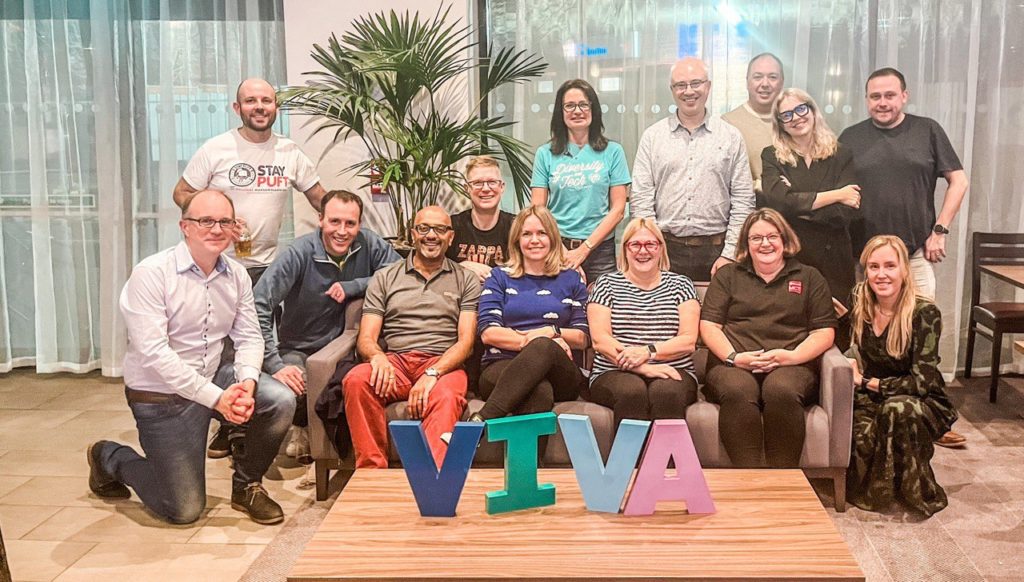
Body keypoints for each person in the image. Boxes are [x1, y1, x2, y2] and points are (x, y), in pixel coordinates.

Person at [87, 190, 294, 525]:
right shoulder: (152, 273)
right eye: (205, 221)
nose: (216, 229)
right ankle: (109, 457)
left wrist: (247, 383)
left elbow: (249, 336)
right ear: (185, 226)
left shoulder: (237, 275)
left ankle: (247, 487)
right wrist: (219, 399)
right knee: (182, 510)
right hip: (160, 396)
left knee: (280, 399)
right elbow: (154, 353)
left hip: (212, 378)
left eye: (224, 221)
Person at [839, 67, 968, 448]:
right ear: (867, 99)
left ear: (904, 96)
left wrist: (940, 230)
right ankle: (882, 407)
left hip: (912, 257)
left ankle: (933, 419)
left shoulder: (927, 130)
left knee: (921, 344)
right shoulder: (851, 138)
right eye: (875, 96)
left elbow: (959, 180)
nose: (882, 102)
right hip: (866, 263)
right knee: (870, 342)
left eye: (889, 95)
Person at [253, 190, 399, 464]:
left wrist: (354, 286)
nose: (342, 231)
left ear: (359, 224)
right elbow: (258, 304)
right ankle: (302, 427)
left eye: (350, 223)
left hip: (351, 349)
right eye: (334, 222)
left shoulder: (369, 244)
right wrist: (273, 363)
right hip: (301, 349)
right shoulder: (298, 253)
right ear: (320, 220)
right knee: (288, 390)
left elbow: (398, 272)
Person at [343, 206, 480, 469]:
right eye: (424, 228)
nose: (432, 235)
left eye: (440, 229)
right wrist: (377, 357)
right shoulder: (385, 278)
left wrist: (433, 373)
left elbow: (466, 342)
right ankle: (372, 473)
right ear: (413, 234)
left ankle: (430, 480)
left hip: (443, 363)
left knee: (447, 396)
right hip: (397, 363)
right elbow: (366, 336)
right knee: (356, 380)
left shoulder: (466, 280)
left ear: (450, 237)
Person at [699, 209, 836, 467]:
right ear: (745, 244)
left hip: (792, 364)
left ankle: (782, 481)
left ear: (785, 240)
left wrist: (792, 357)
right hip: (733, 363)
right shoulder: (727, 276)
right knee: (738, 389)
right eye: (756, 238)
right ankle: (749, 481)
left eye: (772, 236)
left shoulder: (809, 277)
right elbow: (709, 326)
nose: (765, 243)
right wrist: (734, 357)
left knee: (780, 390)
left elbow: (824, 332)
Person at [845, 235, 957, 516]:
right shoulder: (860, 301)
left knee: (898, 409)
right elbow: (836, 338)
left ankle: (915, 492)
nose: (881, 274)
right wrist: (846, 363)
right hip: (871, 395)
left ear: (904, 270)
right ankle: (881, 490)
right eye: (873, 266)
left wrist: (870, 382)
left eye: (890, 266)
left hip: (921, 398)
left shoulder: (924, 312)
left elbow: (922, 381)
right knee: (862, 433)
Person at [173, 78, 327, 281]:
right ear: (237, 108)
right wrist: (218, 218)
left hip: (267, 266)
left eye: (266, 101)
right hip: (216, 261)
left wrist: (346, 215)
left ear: (276, 107)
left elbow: (319, 198)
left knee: (262, 314)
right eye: (251, 101)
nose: (260, 107)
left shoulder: (289, 151)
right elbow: (180, 193)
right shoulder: (216, 148)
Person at [632, 57, 755, 282]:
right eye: (681, 85)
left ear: (708, 86)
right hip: (666, 251)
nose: (688, 91)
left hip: (718, 251)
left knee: (714, 317)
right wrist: (652, 249)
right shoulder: (653, 137)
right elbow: (641, 199)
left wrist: (729, 254)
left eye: (696, 83)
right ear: (672, 90)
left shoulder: (730, 136)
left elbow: (743, 200)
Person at [469, 206, 590, 427]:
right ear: (517, 240)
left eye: (541, 233)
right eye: (527, 234)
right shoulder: (499, 277)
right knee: (539, 391)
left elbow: (582, 337)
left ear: (552, 237)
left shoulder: (572, 279)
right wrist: (535, 340)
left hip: (561, 373)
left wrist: (551, 334)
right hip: (500, 365)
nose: (534, 240)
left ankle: (481, 421)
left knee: (544, 346)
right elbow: (488, 332)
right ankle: (528, 463)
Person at [761, 88, 860, 349]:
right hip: (793, 258)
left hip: (834, 262)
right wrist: (836, 194)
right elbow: (778, 202)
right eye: (786, 115)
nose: (795, 118)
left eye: (800, 109)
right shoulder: (772, 156)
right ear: (779, 123)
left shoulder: (841, 154)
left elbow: (845, 213)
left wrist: (797, 204)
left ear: (813, 110)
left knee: (836, 332)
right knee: (793, 333)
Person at [587, 218, 700, 429]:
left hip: (674, 369)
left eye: (650, 244)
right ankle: (631, 463)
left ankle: (664, 463)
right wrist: (642, 367)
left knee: (666, 392)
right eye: (635, 244)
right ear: (625, 249)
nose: (643, 251)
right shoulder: (606, 284)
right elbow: (600, 340)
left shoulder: (681, 285)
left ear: (660, 248)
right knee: (632, 391)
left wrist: (648, 352)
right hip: (612, 371)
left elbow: (687, 340)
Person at [531, 79, 630, 283]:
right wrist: (562, 250)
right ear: (561, 111)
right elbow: (538, 209)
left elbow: (618, 209)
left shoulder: (613, 152)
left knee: (601, 308)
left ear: (593, 109)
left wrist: (584, 249)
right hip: (557, 247)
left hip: (600, 250)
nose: (577, 111)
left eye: (584, 104)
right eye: (569, 106)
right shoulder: (545, 154)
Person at [722, 52, 785, 198]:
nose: (765, 84)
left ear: (782, 82)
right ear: (747, 82)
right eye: (757, 77)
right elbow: (723, 181)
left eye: (772, 77)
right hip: (752, 214)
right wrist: (766, 186)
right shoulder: (728, 124)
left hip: (797, 213)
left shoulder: (795, 120)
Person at [447, 155, 516, 281]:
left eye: (492, 182)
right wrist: (460, 267)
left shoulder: (517, 226)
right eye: (478, 183)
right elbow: (432, 263)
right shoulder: (452, 225)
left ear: (502, 187)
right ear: (467, 188)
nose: (485, 189)